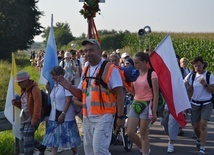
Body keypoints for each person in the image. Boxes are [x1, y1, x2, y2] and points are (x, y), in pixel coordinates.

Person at [57, 38, 125, 155]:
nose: (88, 53)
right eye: (86, 51)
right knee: (89, 151)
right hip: (87, 116)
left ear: (99, 51)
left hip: (104, 116)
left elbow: (120, 93)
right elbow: (81, 94)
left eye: (91, 50)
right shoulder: (87, 67)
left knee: (99, 151)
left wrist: (120, 116)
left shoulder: (109, 68)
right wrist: (69, 87)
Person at [42, 66, 81, 155]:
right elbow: (53, 100)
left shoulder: (66, 84)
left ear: (59, 75)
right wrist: (49, 90)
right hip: (53, 116)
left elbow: (68, 100)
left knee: (71, 139)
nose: (52, 77)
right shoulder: (55, 86)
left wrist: (63, 113)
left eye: (54, 75)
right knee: (53, 138)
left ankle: (75, 153)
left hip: (66, 116)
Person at [127, 52, 158, 155]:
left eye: (137, 63)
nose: (135, 65)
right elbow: (133, 89)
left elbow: (156, 94)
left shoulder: (152, 74)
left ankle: (145, 152)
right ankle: (144, 148)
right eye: (134, 63)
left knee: (143, 133)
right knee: (130, 132)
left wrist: (154, 112)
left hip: (147, 104)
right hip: (136, 102)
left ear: (145, 62)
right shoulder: (135, 73)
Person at [12, 71, 45, 155]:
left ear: (26, 80)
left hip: (31, 118)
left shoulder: (35, 89)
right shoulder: (24, 90)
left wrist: (35, 118)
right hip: (24, 118)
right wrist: (16, 103)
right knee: (24, 137)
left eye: (20, 82)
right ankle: (41, 147)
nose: (18, 84)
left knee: (27, 144)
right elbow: (24, 105)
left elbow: (38, 105)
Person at [187, 56, 214, 155]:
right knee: (195, 127)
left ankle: (202, 147)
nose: (197, 67)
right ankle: (198, 138)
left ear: (203, 64)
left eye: (199, 65)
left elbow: (213, 91)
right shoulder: (193, 76)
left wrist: (205, 84)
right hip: (195, 103)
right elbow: (190, 91)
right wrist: (186, 103)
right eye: (195, 66)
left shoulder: (209, 76)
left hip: (206, 103)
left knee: (203, 125)